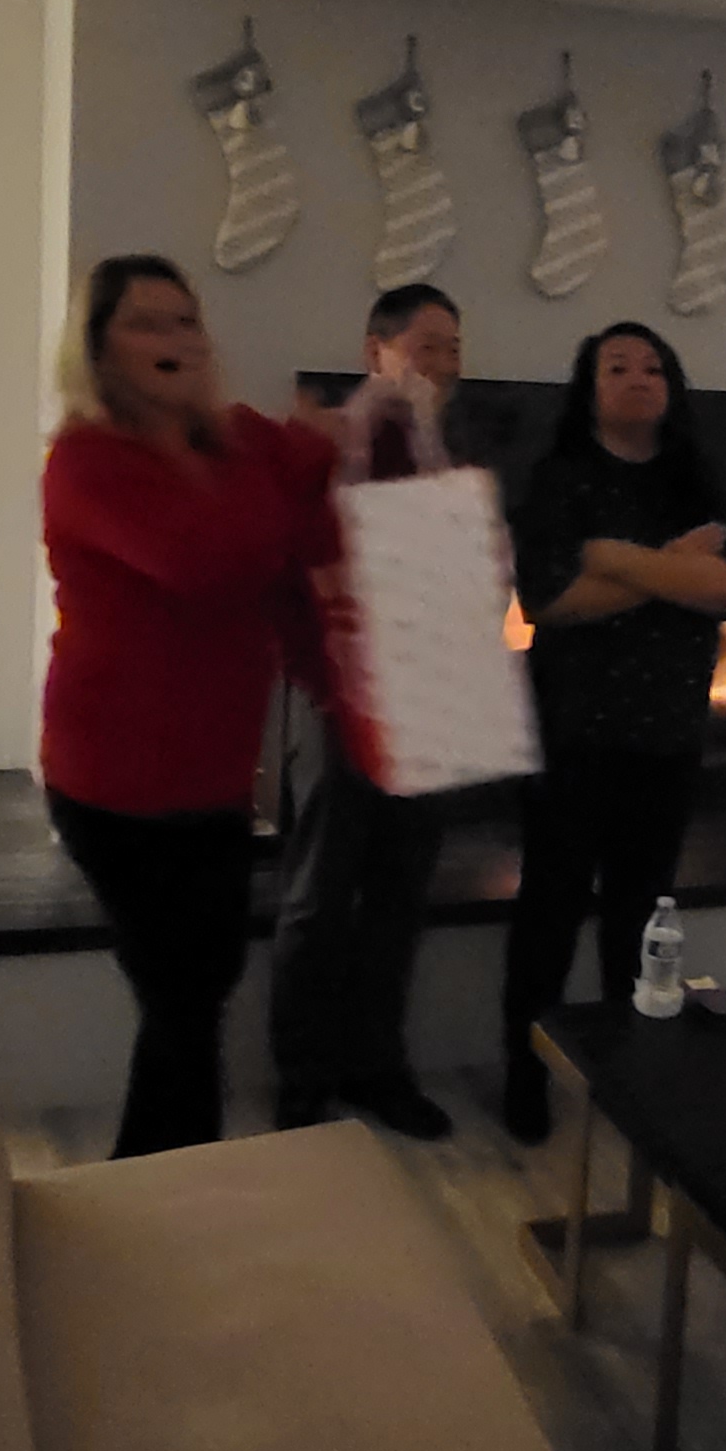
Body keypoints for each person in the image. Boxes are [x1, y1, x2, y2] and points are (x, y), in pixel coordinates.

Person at [37, 255, 336, 1158]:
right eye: (146, 323)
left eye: (186, 321)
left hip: (213, 774)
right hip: (116, 782)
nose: (176, 339)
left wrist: (367, 420)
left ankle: (158, 1187)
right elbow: (207, 561)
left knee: (196, 992)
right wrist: (277, 456)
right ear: (98, 349)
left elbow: (315, 472)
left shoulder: (230, 443)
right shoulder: (88, 460)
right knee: (184, 999)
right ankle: (169, 1185)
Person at [499, 322, 726, 1142]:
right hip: (572, 734)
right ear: (590, 387)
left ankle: (630, 1081)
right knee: (549, 914)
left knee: (640, 924)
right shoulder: (559, 478)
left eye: (653, 366)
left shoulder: (698, 476)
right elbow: (550, 601)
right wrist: (674, 566)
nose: (639, 377)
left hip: (667, 736)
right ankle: (525, 1075)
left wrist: (613, 556)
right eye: (618, 366)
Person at [268, 283, 472, 1141]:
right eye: (427, 345)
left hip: (424, 700)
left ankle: (378, 1068)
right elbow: (294, 570)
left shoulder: (443, 452)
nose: (444, 364)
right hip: (339, 696)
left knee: (400, 892)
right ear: (375, 352)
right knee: (320, 895)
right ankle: (302, 1082)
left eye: (454, 348)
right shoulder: (333, 446)